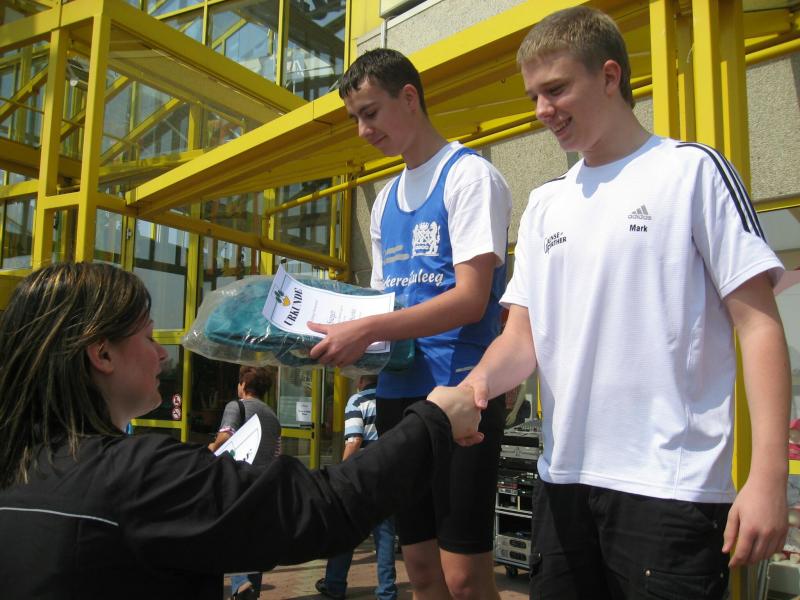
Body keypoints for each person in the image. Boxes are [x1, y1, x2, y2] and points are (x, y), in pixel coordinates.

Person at [441, 7, 792, 600]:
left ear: (610, 76)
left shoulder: (693, 172)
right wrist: (474, 386)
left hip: (671, 490)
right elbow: (521, 340)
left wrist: (768, 476)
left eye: (556, 89)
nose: (542, 110)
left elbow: (758, 327)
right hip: (562, 483)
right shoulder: (545, 204)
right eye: (533, 96)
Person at [0, 262, 483, 600]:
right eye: (147, 336)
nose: (162, 354)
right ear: (101, 354)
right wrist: (433, 419)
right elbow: (322, 507)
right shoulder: (134, 477)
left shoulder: (17, 470)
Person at [307, 47, 512, 599]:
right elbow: (381, 304)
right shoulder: (384, 202)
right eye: (355, 118)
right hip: (398, 394)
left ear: (409, 98)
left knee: (464, 575)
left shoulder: (469, 176)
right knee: (418, 567)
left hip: (461, 390)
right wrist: (335, 336)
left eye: (370, 113)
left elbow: (471, 300)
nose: (363, 130)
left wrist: (368, 330)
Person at [315, 375, 397, 600]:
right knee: (385, 536)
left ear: (361, 379)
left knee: (346, 528)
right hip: (388, 473)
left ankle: (334, 584)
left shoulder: (357, 400)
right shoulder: (391, 400)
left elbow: (354, 440)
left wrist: (340, 473)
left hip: (360, 475)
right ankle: (387, 591)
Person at [208, 365, 282, 599]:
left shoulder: (236, 406)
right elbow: (277, 453)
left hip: (237, 480)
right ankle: (250, 591)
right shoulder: (272, 416)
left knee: (232, 533)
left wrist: (210, 448)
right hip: (262, 483)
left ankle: (241, 583)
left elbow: (226, 435)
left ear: (244, 385)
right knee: (253, 538)